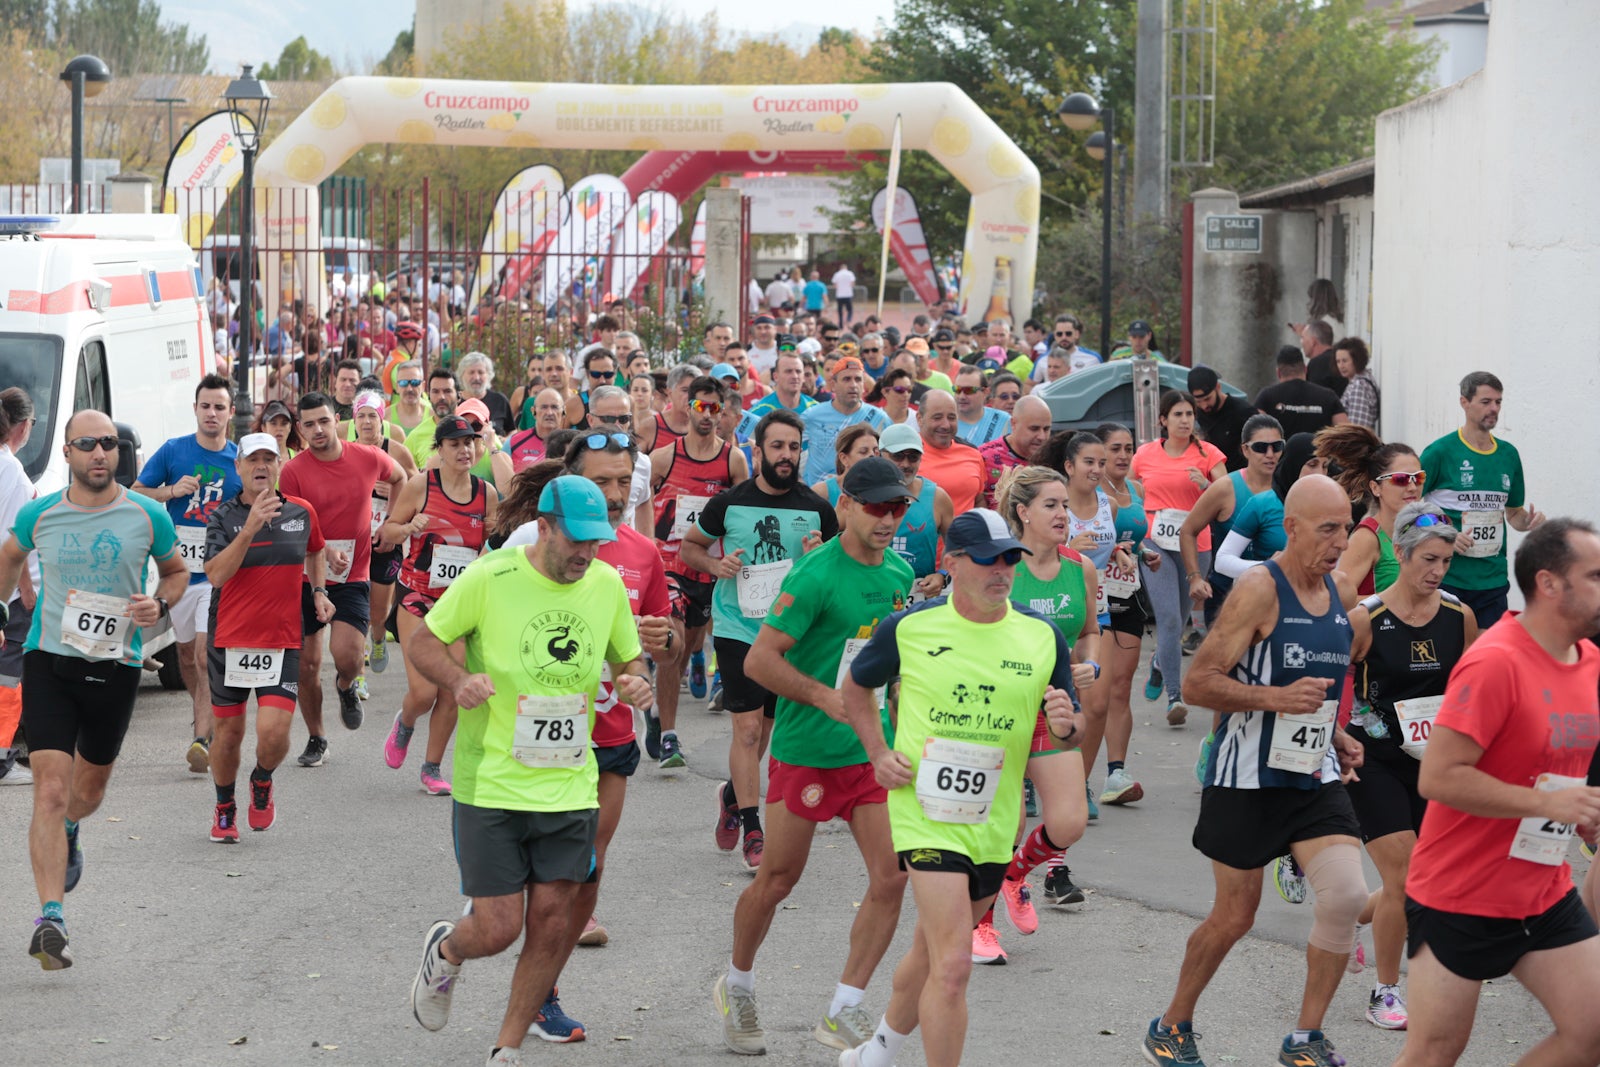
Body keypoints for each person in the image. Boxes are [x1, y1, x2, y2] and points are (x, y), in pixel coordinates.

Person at [406, 475, 650, 1062]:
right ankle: (448, 950)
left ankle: (506, 1049)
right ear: (543, 527)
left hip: (569, 783)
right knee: (497, 927)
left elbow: (629, 654)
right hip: (491, 780)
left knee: (551, 920)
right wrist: (459, 680)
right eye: (577, 541)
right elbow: (422, 642)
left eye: (598, 541)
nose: (588, 553)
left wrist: (637, 675)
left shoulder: (606, 584)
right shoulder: (491, 578)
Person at [841, 508, 1082, 1067]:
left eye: (1009, 559)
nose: (1002, 570)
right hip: (923, 811)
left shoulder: (1041, 636)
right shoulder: (911, 627)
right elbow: (855, 688)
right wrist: (878, 752)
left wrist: (1070, 722)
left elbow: (1073, 722)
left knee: (931, 951)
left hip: (994, 821)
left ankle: (876, 1051)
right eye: (987, 560)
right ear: (951, 564)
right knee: (953, 965)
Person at [1142, 474, 1367, 1067]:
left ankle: (1305, 1038)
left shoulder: (1340, 590)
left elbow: (1313, 695)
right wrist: (1276, 699)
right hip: (1246, 777)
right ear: (1289, 529)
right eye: (1327, 529)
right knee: (1234, 917)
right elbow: (1197, 683)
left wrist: (1335, 732)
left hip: (1312, 775)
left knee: (1345, 896)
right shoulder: (1260, 589)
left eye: (1346, 527)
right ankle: (1172, 1023)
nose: (1340, 541)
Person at [715, 457, 915, 1056]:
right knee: (777, 879)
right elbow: (759, 663)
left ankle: (844, 1007)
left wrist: (898, 732)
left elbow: (893, 670)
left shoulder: (901, 574)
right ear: (846, 506)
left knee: (893, 875)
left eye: (897, 507)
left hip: (867, 753)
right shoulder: (814, 576)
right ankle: (738, 983)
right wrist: (828, 698)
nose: (887, 518)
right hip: (806, 750)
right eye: (876, 506)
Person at [1393, 519, 1600, 1067]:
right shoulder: (1496, 661)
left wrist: (1580, 812)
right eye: (1596, 575)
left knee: (1590, 1033)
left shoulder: (1588, 661)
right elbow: (1438, 776)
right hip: (1461, 894)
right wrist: (1545, 803)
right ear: (1550, 584)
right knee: (1433, 1054)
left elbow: (1555, 764)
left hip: (1544, 889)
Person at [0, 410, 186, 970]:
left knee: (88, 793)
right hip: (49, 663)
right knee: (50, 793)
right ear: (67, 452)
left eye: (109, 443)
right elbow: (9, 556)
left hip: (116, 667)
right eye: (88, 444)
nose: (100, 453)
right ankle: (50, 917)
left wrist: (161, 602)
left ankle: (75, 829)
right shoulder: (41, 513)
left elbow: (176, 574)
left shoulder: (148, 515)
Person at [500, 431, 678, 948]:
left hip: (609, 733)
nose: (617, 494)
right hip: (538, 726)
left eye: (624, 480)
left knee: (589, 861)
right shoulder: (525, 545)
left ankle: (547, 983)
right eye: (602, 481)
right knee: (542, 871)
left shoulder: (645, 553)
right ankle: (501, 908)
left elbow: (667, 648)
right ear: (571, 481)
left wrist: (658, 643)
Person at [682, 410, 837, 870]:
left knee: (764, 734)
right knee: (746, 731)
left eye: (793, 447)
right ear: (758, 450)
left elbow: (833, 568)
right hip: (737, 629)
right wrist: (716, 566)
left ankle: (732, 795)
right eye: (777, 447)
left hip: (788, 638)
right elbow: (690, 547)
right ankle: (753, 827)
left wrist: (817, 558)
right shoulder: (729, 504)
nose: (786, 456)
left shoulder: (818, 509)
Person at [1343, 503, 1477, 1031]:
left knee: (1428, 876)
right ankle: (1385, 990)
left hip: (1436, 764)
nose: (1437, 570)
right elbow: (1334, 689)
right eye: (1428, 559)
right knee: (1403, 876)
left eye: (1445, 560)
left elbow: (1475, 686)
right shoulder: (1366, 618)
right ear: (1399, 555)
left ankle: (1355, 918)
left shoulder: (1458, 615)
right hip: (1374, 761)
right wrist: (1336, 745)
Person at [979, 467, 1098, 964]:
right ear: (1023, 512)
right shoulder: (1004, 567)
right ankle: (979, 925)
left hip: (1054, 706)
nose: (1063, 516)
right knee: (1001, 823)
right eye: (1051, 505)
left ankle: (1016, 873)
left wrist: (1089, 664)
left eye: (1066, 506)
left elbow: (1090, 629)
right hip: (999, 707)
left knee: (1069, 821)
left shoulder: (1080, 568)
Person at [202, 433, 333, 843]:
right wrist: (250, 528)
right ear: (238, 467)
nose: (261, 466)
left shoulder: (301, 512)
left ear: (280, 466)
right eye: (253, 459)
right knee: (228, 736)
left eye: (269, 460)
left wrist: (319, 590)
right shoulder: (222, 516)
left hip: (282, 638)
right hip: (231, 639)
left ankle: (262, 780)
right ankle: (225, 806)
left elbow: (315, 550)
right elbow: (216, 574)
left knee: (275, 735)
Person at [280, 393, 407, 768]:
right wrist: (318, 549)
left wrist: (390, 524)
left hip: (353, 573)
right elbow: (291, 523)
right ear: (300, 430)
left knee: (348, 656)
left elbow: (400, 477)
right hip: (306, 574)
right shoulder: (293, 471)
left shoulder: (366, 457)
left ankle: (346, 685)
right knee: (306, 664)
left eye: (323, 421)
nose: (318, 430)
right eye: (309, 425)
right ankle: (317, 737)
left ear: (337, 419)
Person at [380, 415, 499, 796]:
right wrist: (408, 529)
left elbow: (494, 544)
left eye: (471, 443)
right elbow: (386, 533)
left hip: (459, 605)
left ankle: (431, 768)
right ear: (440, 450)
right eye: (456, 444)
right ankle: (407, 721)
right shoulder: (421, 486)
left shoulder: (487, 494)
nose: (465, 450)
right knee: (425, 692)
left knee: (451, 690)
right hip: (417, 597)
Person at [132, 374, 243, 773]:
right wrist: (169, 492)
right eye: (205, 406)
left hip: (216, 576)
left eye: (219, 407)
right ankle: (207, 719)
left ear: (231, 412)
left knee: (201, 651)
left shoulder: (238, 461)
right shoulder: (174, 451)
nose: (212, 413)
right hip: (179, 573)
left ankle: (201, 737)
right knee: (185, 656)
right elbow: (135, 492)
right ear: (196, 409)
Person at [650, 375, 750, 767]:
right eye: (700, 407)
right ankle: (671, 737)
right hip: (669, 566)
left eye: (714, 408)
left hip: (708, 569)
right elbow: (642, 505)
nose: (707, 415)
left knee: (691, 645)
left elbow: (744, 511)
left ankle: (658, 710)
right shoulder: (664, 457)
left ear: (723, 411)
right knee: (671, 647)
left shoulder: (732, 460)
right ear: (687, 407)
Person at [1130, 390, 1228, 726]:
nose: (1185, 420)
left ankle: (1160, 663)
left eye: (1189, 414)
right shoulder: (1144, 455)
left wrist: (1206, 486)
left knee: (1181, 619)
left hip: (1195, 546)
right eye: (1178, 415)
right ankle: (1175, 695)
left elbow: (1228, 500)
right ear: (1163, 420)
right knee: (1170, 620)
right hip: (1154, 542)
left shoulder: (1208, 454)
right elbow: (1128, 492)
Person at [1420, 371, 1544, 629]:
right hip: (1448, 577)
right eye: (1486, 402)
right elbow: (1406, 509)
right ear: (1464, 402)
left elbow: (1513, 513)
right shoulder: (1440, 452)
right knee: (1449, 659)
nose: (1494, 408)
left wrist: (1528, 521)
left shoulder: (1509, 455)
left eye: (1498, 402)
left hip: (1493, 580)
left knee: (1488, 656)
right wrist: (1444, 534)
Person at [1180, 414, 1283, 631]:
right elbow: (1188, 530)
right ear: (1245, 450)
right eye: (1261, 447)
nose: (1270, 454)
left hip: (1277, 594)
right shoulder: (1226, 488)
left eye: (1277, 446)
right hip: (1227, 596)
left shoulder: (1290, 488)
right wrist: (1195, 577)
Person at [352, 391, 417, 678]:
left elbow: (417, 484)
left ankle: (378, 640)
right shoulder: (345, 451)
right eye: (361, 416)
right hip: (355, 539)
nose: (367, 422)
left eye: (372, 416)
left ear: (382, 420)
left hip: (386, 538)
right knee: (356, 610)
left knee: (378, 612)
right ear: (354, 421)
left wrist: (392, 491)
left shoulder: (397, 451)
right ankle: (357, 674)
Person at [1318, 425, 1422, 596]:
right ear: (1375, 488)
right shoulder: (1367, 537)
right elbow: (1338, 601)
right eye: (1401, 479)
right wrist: (1395, 602)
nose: (1412, 487)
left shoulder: (1419, 530)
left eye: (1418, 477)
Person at [0, 387, 36, 786]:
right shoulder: (11, 471)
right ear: (23, 426)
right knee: (9, 679)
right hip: (6, 596)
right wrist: (23, 589)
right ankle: (2, 760)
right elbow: (13, 540)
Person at [876, 424, 955, 603]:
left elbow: (955, 542)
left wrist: (942, 574)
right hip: (872, 590)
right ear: (880, 454)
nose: (905, 464)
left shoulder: (937, 497)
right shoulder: (862, 495)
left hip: (920, 594)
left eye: (913, 457)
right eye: (897, 456)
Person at [800, 358, 891, 486]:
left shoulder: (880, 418)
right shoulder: (811, 416)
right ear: (833, 385)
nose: (853, 385)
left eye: (858, 379)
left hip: (863, 494)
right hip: (817, 497)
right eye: (847, 379)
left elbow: (890, 461)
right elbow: (793, 454)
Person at [1254, 346, 1348, 440]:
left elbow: (1253, 432)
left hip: (1280, 454)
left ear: (1278, 372)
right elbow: (1347, 434)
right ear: (1305, 369)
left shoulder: (1266, 397)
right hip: (1319, 453)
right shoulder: (1328, 397)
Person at [916, 391, 987, 515]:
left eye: (951, 417)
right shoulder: (905, 455)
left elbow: (979, 499)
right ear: (920, 419)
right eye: (937, 418)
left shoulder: (972, 454)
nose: (946, 425)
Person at [977, 395, 1052, 510]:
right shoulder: (983, 457)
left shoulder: (1054, 458)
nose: (1042, 436)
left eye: (1046, 429)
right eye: (1034, 429)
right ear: (1014, 424)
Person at [1188, 366, 1257, 472]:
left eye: (1207, 399)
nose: (1204, 406)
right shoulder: (1194, 413)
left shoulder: (1243, 412)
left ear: (1218, 387)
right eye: (1198, 401)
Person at [403, 367, 462, 469]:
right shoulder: (415, 437)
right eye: (435, 391)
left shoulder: (473, 428)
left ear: (459, 396)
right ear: (429, 396)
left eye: (447, 391)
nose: (441, 397)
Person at [506, 388, 564, 472]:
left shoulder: (572, 444)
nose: (549, 412)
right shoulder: (513, 442)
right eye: (544, 407)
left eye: (555, 407)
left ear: (563, 411)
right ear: (533, 411)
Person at [457, 352, 514, 436]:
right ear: (462, 375)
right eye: (471, 372)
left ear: (489, 375)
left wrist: (506, 441)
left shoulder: (500, 400)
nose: (476, 377)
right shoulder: (455, 401)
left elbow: (512, 430)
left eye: (481, 372)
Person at [952, 365, 1010, 445]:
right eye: (957, 389)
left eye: (969, 390)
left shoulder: (1004, 420)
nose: (962, 396)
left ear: (985, 392)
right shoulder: (946, 424)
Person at [1332, 338, 1378, 430]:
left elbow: (1357, 429)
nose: (1341, 366)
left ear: (1357, 359)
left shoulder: (1359, 386)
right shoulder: (1360, 381)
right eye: (1338, 361)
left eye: (1345, 361)